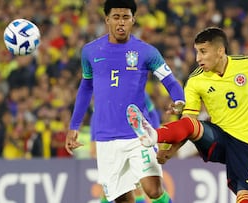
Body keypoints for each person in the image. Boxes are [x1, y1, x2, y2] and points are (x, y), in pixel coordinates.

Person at [126, 27, 248, 203]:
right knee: (191, 123)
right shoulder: (196, 81)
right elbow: (188, 123)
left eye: (203, 52)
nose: (198, 58)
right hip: (220, 139)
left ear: (220, 51)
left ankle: (154, 135)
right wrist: (171, 149)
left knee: (246, 198)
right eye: (196, 52)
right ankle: (153, 135)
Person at [65, 0, 184, 202]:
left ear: (133, 20)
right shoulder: (90, 51)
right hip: (106, 137)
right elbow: (86, 88)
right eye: (116, 17)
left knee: (153, 190)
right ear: (107, 19)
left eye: (126, 17)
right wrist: (74, 125)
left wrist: (179, 100)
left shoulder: (147, 52)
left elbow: (170, 81)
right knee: (121, 199)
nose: (121, 23)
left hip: (138, 133)